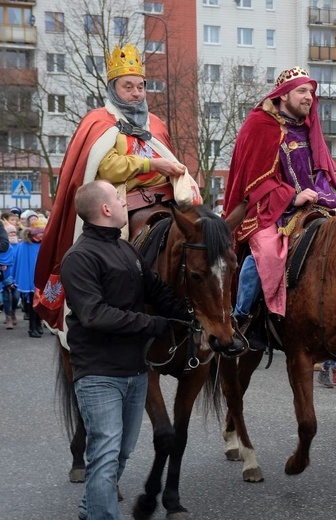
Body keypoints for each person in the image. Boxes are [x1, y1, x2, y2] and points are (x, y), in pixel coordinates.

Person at [35, 42, 192, 336]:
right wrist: (153, 165)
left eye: (140, 86)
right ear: (112, 88)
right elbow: (107, 168)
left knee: (204, 240)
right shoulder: (98, 121)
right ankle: (109, 314)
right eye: (127, 86)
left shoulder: (155, 123)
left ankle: (213, 316)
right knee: (113, 253)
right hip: (122, 202)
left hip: (166, 199)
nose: (136, 93)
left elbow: (168, 157)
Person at [60, 180, 189, 520]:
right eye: (118, 198)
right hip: (99, 374)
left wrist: (189, 317)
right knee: (104, 453)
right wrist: (154, 325)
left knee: (119, 454)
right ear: (105, 209)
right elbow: (94, 314)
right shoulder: (79, 257)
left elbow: (157, 290)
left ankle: (90, 511)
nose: (123, 202)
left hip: (134, 370)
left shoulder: (127, 250)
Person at [223, 66, 336, 345]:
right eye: (302, 91)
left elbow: (320, 170)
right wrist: (293, 196)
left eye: (311, 92)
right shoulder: (260, 125)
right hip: (268, 207)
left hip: (313, 202)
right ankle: (242, 318)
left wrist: (324, 194)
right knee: (266, 251)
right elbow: (254, 183)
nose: (309, 97)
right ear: (283, 95)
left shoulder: (306, 129)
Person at [14, 217, 46, 337]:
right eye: (41, 232)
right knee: (33, 304)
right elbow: (22, 263)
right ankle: (32, 327)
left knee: (41, 304)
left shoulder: (45, 244)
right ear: (35, 233)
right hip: (31, 280)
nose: (43, 235)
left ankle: (38, 324)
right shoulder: (26, 245)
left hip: (42, 279)